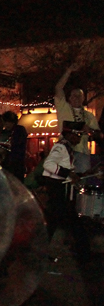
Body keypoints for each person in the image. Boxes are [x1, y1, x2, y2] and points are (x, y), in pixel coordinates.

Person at [42, 121, 91, 263]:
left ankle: (38, 252)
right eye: (78, 135)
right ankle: (84, 254)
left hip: (60, 189)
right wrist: (69, 174)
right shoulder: (61, 147)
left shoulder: (66, 148)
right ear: (70, 134)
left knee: (55, 222)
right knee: (69, 221)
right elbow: (48, 164)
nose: (80, 138)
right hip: (57, 189)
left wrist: (74, 175)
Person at [54, 63, 102, 173]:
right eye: (74, 95)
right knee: (63, 180)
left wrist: (90, 130)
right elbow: (58, 88)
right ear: (69, 98)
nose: (76, 98)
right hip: (64, 150)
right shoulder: (64, 108)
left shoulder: (89, 116)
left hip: (82, 151)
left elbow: (98, 134)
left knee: (82, 179)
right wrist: (68, 71)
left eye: (79, 96)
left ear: (83, 98)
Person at [1, 111, 28, 181]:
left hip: (17, 163)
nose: (6, 125)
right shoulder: (5, 132)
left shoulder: (19, 130)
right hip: (8, 163)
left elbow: (17, 143)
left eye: (7, 122)